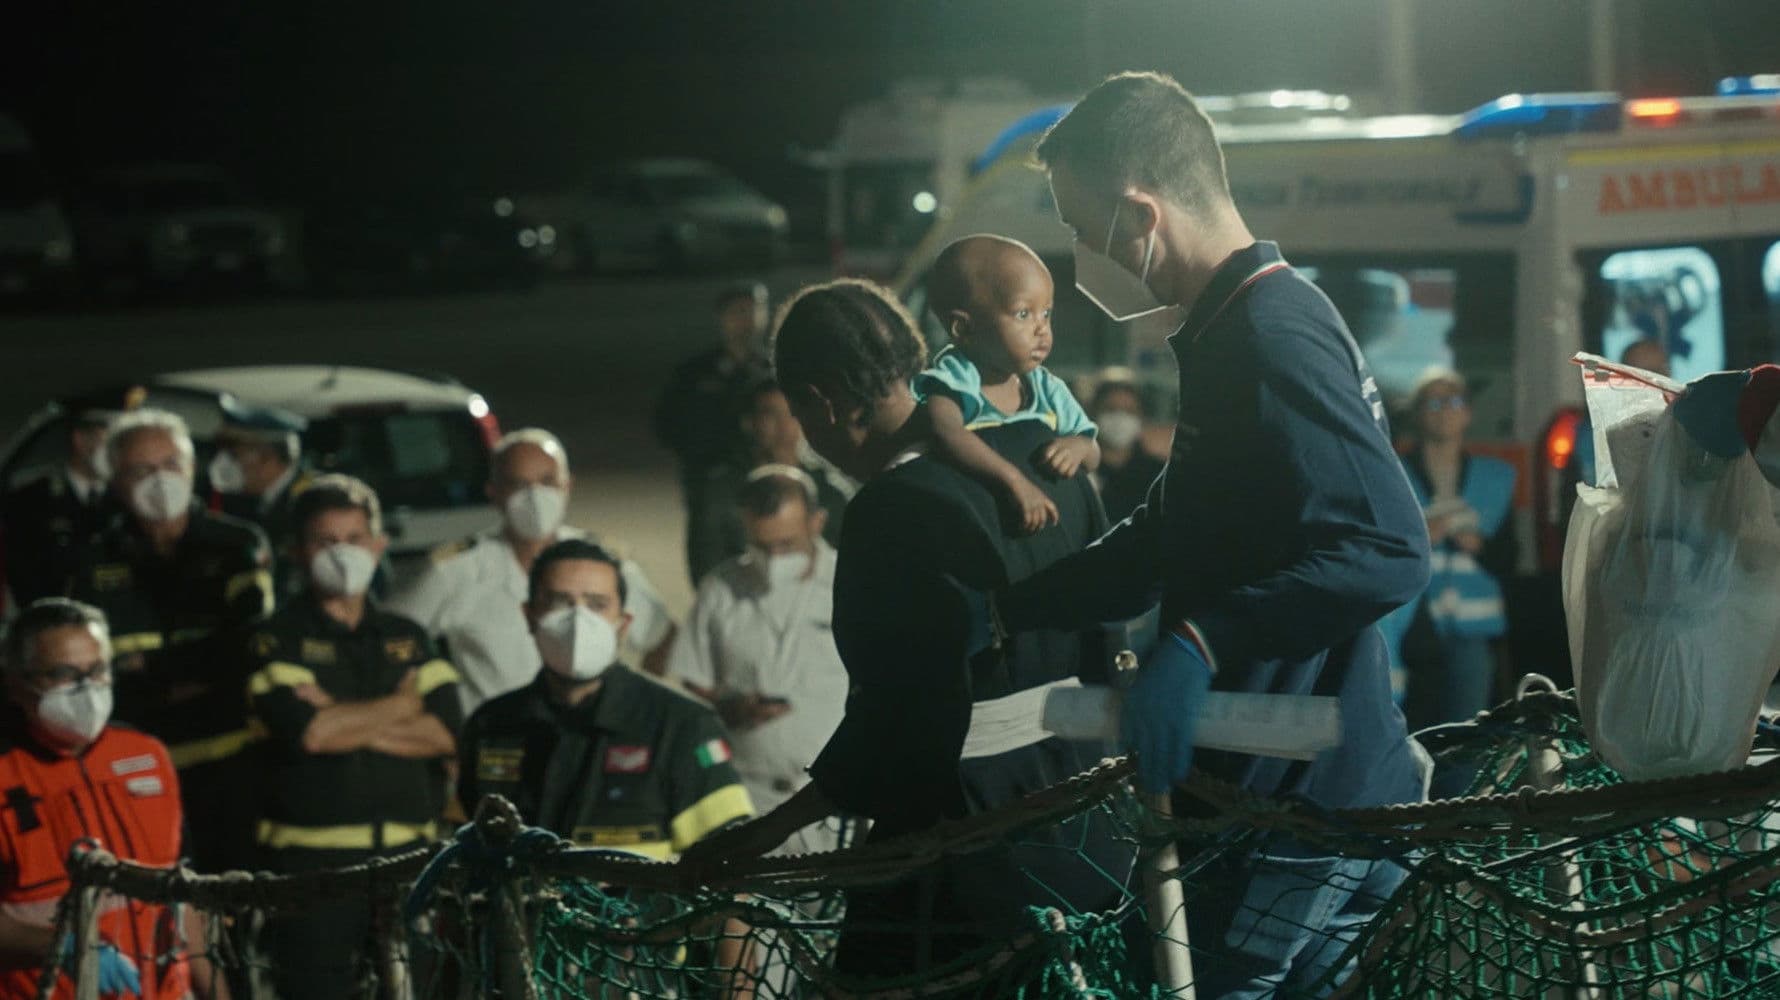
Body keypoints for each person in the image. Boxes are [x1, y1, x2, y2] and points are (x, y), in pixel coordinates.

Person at [977, 73, 1430, 997]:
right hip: (1303, 793)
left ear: (1140, 215)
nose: (1073, 256)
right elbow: (1177, 525)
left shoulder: (1272, 335)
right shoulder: (1231, 329)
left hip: (1298, 812)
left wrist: (1199, 641)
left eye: (1076, 224)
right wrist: (1019, 605)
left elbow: (1390, 549)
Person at [685, 279, 1132, 976]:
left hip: (962, 859)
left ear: (824, 402)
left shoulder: (891, 508)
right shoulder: (1054, 455)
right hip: (1091, 836)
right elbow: (1113, 628)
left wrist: (768, 833)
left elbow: (896, 718)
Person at [245, 475, 459, 1000]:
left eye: (355, 538)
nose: (342, 552)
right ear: (298, 552)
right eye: (326, 541)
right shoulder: (276, 639)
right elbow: (312, 734)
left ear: (379, 545)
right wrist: (401, 706)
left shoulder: (407, 637)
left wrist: (344, 718)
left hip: (412, 865)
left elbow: (446, 733)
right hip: (311, 875)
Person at [69, 409, 274, 874]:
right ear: (115, 480)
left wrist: (153, 669)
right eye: (142, 470)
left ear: (191, 469)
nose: (159, 481)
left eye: (169, 465)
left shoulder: (234, 545)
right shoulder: (94, 562)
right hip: (137, 767)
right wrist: (193, 670)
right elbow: (94, 668)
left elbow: (250, 649)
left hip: (230, 761)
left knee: (236, 895)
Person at [457, 538, 753, 856]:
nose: (578, 620)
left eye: (597, 604)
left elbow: (732, 865)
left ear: (623, 624)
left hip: (641, 908)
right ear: (530, 616)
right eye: (559, 601)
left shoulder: (683, 727)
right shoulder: (492, 726)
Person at [0, 598, 227, 1000]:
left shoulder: (147, 756)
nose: (85, 688)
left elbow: (181, 899)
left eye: (97, 669)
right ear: (16, 682)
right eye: (64, 674)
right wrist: (65, 946)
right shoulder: (7, 773)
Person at [388, 428, 676, 714]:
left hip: (588, 737)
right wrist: (436, 704)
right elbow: (389, 635)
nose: (535, 497)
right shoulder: (456, 570)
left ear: (567, 486)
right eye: (519, 484)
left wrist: (637, 708)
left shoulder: (603, 564)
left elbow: (662, 636)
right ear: (494, 492)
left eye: (547, 482)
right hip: (497, 740)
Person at [670, 467, 849, 853]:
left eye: (786, 544)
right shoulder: (722, 587)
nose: (774, 557)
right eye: (762, 546)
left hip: (835, 802)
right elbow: (693, 673)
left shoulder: (852, 583)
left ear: (817, 522)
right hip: (749, 801)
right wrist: (728, 706)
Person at [916, 234, 1100, 533]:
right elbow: (945, 432)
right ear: (963, 327)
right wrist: (1014, 481)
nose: (1042, 329)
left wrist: (1078, 446)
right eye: (1023, 313)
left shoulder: (1046, 388)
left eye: (1047, 313)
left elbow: (1092, 453)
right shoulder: (953, 381)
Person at [1378, 370, 1516, 736]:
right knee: (1413, 727)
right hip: (1408, 623)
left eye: (1454, 401)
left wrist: (1478, 545)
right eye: (1434, 402)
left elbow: (1510, 559)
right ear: (1419, 413)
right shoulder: (1393, 473)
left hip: (1470, 627)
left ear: (1468, 413)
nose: (1444, 411)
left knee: (1466, 731)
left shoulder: (1494, 478)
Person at [685, 380, 853, 584]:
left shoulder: (830, 491)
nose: (784, 426)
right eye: (771, 414)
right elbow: (706, 565)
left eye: (792, 413)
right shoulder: (720, 492)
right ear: (749, 422)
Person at [0, 387, 143, 608]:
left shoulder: (131, 499)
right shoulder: (31, 501)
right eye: (111, 440)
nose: (119, 452)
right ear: (80, 440)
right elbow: (22, 577)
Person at [655, 282, 773, 523]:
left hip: (763, 481)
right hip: (707, 483)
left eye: (754, 311)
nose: (747, 319)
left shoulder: (773, 372)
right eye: (739, 311)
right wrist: (699, 458)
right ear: (722, 317)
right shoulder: (695, 373)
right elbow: (666, 422)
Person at [206, 398, 312, 597]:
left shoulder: (310, 504)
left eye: (235, 455)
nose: (224, 464)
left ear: (266, 459)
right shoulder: (260, 502)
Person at [1087, 371, 1164, 524]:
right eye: (1111, 409)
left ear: (1141, 418)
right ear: (1093, 413)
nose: (1120, 418)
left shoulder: (1160, 474)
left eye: (1129, 411)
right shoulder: (1081, 472)